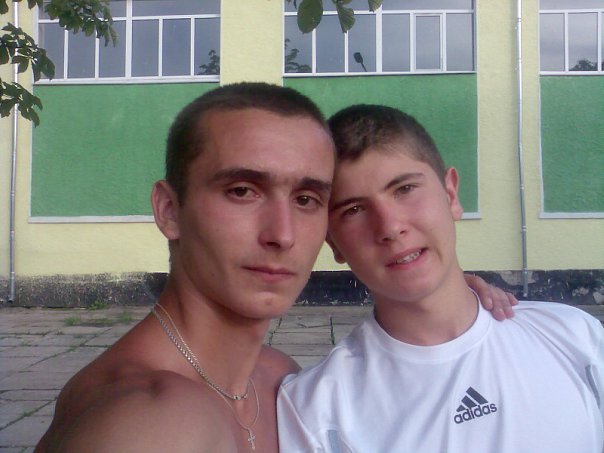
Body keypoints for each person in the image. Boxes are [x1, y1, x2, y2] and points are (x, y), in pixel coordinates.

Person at [35, 85, 515, 453]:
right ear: (169, 209)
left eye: (306, 199)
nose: (282, 234)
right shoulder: (150, 419)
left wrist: (446, 296)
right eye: (242, 191)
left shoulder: (276, 380)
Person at [277, 104, 604, 452]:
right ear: (333, 243)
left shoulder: (575, 337)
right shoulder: (315, 411)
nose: (390, 227)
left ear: (451, 195)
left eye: (404, 189)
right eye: (354, 210)